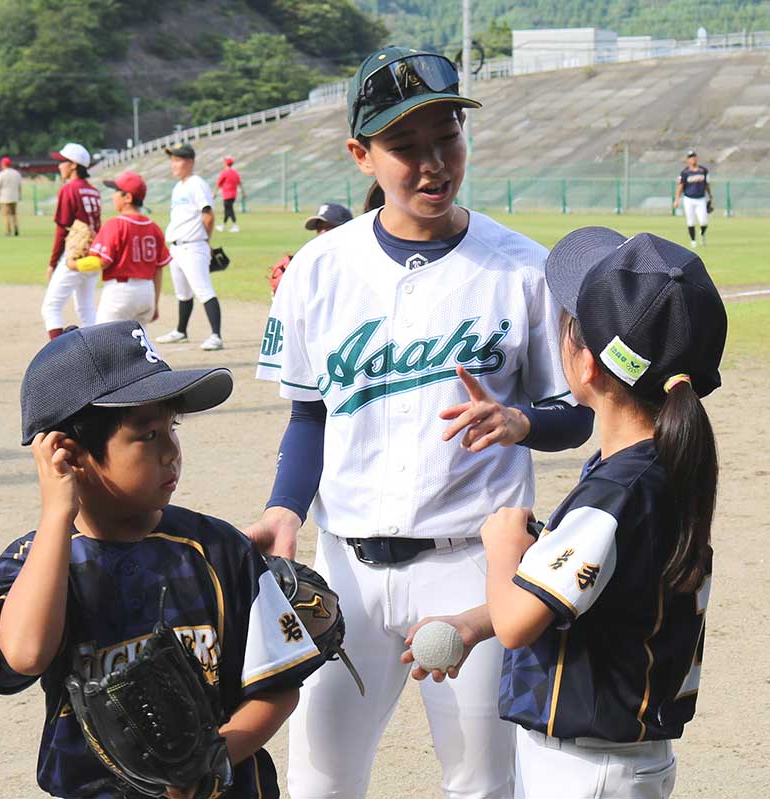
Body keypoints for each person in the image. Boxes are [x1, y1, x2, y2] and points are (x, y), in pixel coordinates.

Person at [249, 46, 594, 799]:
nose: (433, 164)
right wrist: (285, 506)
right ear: (361, 155)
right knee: (319, 782)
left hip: (471, 564)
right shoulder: (321, 267)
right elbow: (311, 412)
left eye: (448, 138)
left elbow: (578, 418)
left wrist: (521, 421)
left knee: (483, 782)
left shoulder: (521, 268)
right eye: (406, 147)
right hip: (344, 567)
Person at [0, 321, 320, 798]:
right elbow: (25, 655)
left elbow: (278, 687)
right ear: (69, 455)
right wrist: (57, 512)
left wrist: (211, 760)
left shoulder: (218, 548)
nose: (171, 451)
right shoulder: (35, 562)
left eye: (171, 428)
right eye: (147, 434)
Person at [482, 227, 723, 798]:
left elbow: (517, 626)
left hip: (587, 771)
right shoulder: (656, 464)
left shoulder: (616, 491)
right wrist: (473, 624)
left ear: (587, 364)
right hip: (615, 761)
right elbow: (588, 593)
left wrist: (503, 545)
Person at [71, 171, 170, 324]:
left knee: (103, 340)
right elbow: (158, 269)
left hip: (121, 293)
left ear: (128, 198)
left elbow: (101, 261)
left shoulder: (115, 224)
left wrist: (74, 264)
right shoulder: (154, 227)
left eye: (117, 192)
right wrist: (155, 303)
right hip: (147, 292)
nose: (113, 196)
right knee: (137, 343)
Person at [155, 144, 224, 351]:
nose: (174, 164)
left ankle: (216, 336)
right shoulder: (179, 187)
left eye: (178, 159)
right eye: (173, 160)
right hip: (176, 247)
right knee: (183, 293)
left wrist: (205, 241)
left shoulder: (197, 183)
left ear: (190, 162)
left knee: (203, 290)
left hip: (194, 246)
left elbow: (208, 215)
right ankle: (181, 331)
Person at [40, 143, 102, 339]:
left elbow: (62, 229)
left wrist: (52, 263)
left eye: (62, 162)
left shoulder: (69, 189)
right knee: (86, 309)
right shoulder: (93, 191)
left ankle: (57, 356)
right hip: (92, 254)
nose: (59, 166)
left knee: (51, 307)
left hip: (74, 256)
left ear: (74, 165)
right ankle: (96, 354)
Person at [674, 149, 712, 248]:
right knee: (690, 221)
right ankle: (693, 240)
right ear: (687, 160)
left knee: (704, 221)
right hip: (689, 199)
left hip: (701, 199)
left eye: (694, 157)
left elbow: (707, 185)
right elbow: (680, 186)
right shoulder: (685, 172)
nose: (693, 159)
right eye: (691, 157)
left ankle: (702, 233)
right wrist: (677, 199)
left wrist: (710, 196)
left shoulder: (703, 170)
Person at [0, 155, 23, 237]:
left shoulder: (1, 174)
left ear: (3, 164)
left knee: (6, 215)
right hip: (14, 196)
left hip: (4, 198)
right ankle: (16, 229)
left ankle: (8, 232)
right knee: (14, 214)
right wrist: (20, 195)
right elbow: (20, 185)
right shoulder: (16, 173)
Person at [215, 156, 245, 233]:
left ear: (225, 163)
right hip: (233, 194)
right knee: (227, 210)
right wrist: (243, 192)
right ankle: (223, 225)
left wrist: (215, 192)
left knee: (229, 210)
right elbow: (240, 183)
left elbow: (219, 183)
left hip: (226, 194)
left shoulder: (224, 172)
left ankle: (234, 225)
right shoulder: (235, 173)